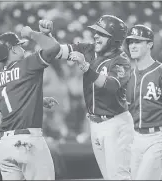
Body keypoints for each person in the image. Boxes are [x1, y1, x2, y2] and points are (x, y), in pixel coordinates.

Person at [38, 15, 134, 180]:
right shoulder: (88, 49)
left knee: (120, 177)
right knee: (109, 176)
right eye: (96, 32)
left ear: (115, 39)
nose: (96, 35)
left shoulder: (122, 61)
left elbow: (111, 85)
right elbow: (58, 51)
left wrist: (85, 66)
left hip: (116, 124)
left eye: (102, 33)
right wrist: (47, 37)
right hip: (95, 123)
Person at [0, 25, 60, 180]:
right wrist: (31, 33)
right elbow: (54, 48)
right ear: (13, 50)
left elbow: (8, 106)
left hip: (5, 145)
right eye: (19, 46)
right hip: (28, 142)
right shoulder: (26, 65)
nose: (22, 48)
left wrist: (37, 100)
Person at [125, 25, 162, 180]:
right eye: (130, 42)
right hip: (136, 138)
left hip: (158, 137)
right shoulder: (130, 75)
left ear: (150, 44)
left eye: (138, 41)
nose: (133, 45)